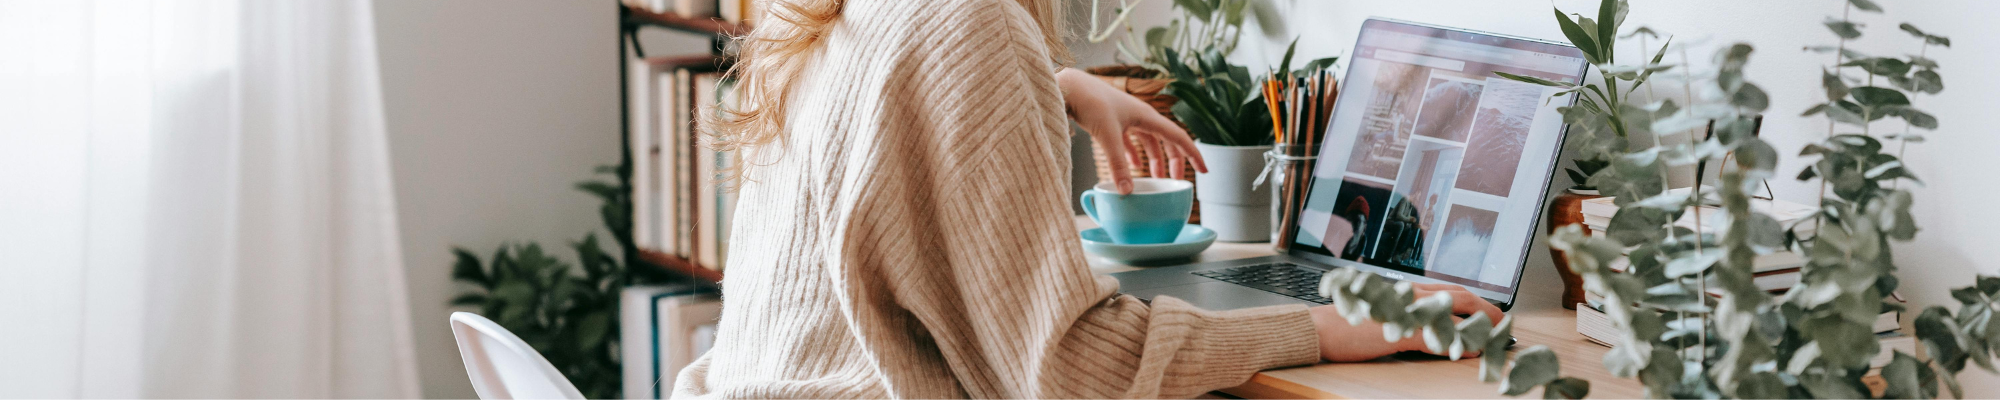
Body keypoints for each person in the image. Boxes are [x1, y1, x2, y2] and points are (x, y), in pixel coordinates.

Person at [671, 0, 1503, 398]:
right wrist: (1323, 325)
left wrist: (1054, 79)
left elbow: (881, 111)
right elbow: (1067, 370)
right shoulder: (967, 22)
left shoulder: (804, 12)